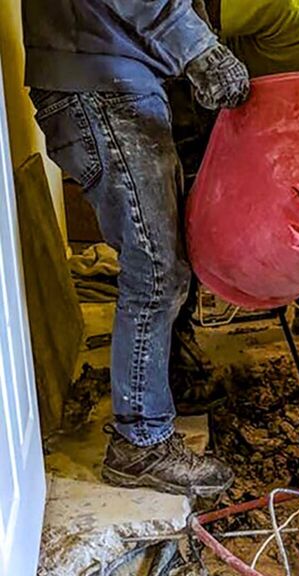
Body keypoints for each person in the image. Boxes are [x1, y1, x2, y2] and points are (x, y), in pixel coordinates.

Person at [22, 0, 250, 496]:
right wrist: (200, 49)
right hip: (101, 84)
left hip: (111, 77)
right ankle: (141, 441)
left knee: (163, 264)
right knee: (154, 270)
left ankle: (156, 390)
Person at [169, 0, 299, 360]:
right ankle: (178, 342)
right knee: (182, 228)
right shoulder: (287, 12)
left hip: (274, 134)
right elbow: (190, 21)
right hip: (208, 113)